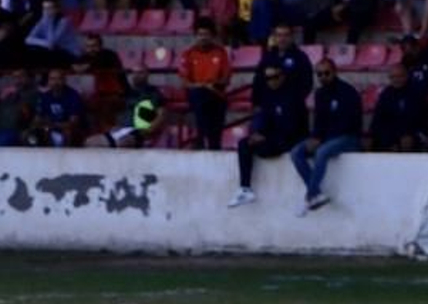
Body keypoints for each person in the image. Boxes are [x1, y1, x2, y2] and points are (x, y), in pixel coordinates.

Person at [228, 63, 309, 208]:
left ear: (282, 77)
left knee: (264, 147)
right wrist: (257, 133)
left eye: (275, 77)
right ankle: (245, 188)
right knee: (244, 144)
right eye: (268, 78)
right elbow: (264, 119)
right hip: (272, 138)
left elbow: (293, 128)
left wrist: (266, 137)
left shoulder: (293, 97)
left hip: (291, 139)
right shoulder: (268, 97)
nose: (271, 81)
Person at [289, 57, 361, 214]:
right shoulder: (320, 94)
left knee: (322, 152)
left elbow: (349, 123)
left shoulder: (348, 92)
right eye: (319, 74)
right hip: (327, 137)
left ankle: (309, 197)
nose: (323, 77)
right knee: (296, 153)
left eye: (326, 73)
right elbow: (319, 121)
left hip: (348, 137)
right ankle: (316, 194)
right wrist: (315, 137)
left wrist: (320, 139)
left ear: (335, 72)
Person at [178, 18, 231, 150]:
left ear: (212, 36)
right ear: (195, 36)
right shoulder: (188, 54)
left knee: (213, 104)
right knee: (200, 97)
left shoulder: (221, 53)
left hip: (216, 93)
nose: (203, 38)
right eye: (200, 34)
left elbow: (226, 79)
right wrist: (203, 86)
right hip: (196, 94)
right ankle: (203, 138)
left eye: (206, 34)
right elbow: (185, 82)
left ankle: (204, 139)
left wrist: (211, 86)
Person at [87, 65, 166, 147]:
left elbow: (161, 115)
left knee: (118, 143)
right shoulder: (127, 92)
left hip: (137, 132)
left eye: (140, 72)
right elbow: (114, 109)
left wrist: (148, 131)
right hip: (121, 130)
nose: (136, 75)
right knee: (89, 142)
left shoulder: (153, 93)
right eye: (134, 73)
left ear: (147, 74)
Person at [369, 61, 428, 150]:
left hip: (413, 132)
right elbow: (378, 120)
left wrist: (401, 135)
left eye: (399, 76)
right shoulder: (386, 94)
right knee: (370, 140)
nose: (396, 80)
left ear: (406, 76)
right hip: (391, 132)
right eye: (393, 77)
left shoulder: (416, 92)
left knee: (406, 141)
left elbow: (417, 120)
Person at [29, 67, 87, 146]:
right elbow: (37, 119)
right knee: (30, 134)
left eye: (59, 79)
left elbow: (73, 122)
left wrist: (52, 125)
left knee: (68, 132)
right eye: (52, 79)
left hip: (67, 130)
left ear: (64, 80)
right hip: (49, 128)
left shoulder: (73, 96)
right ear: (48, 81)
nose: (55, 82)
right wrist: (39, 124)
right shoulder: (45, 96)